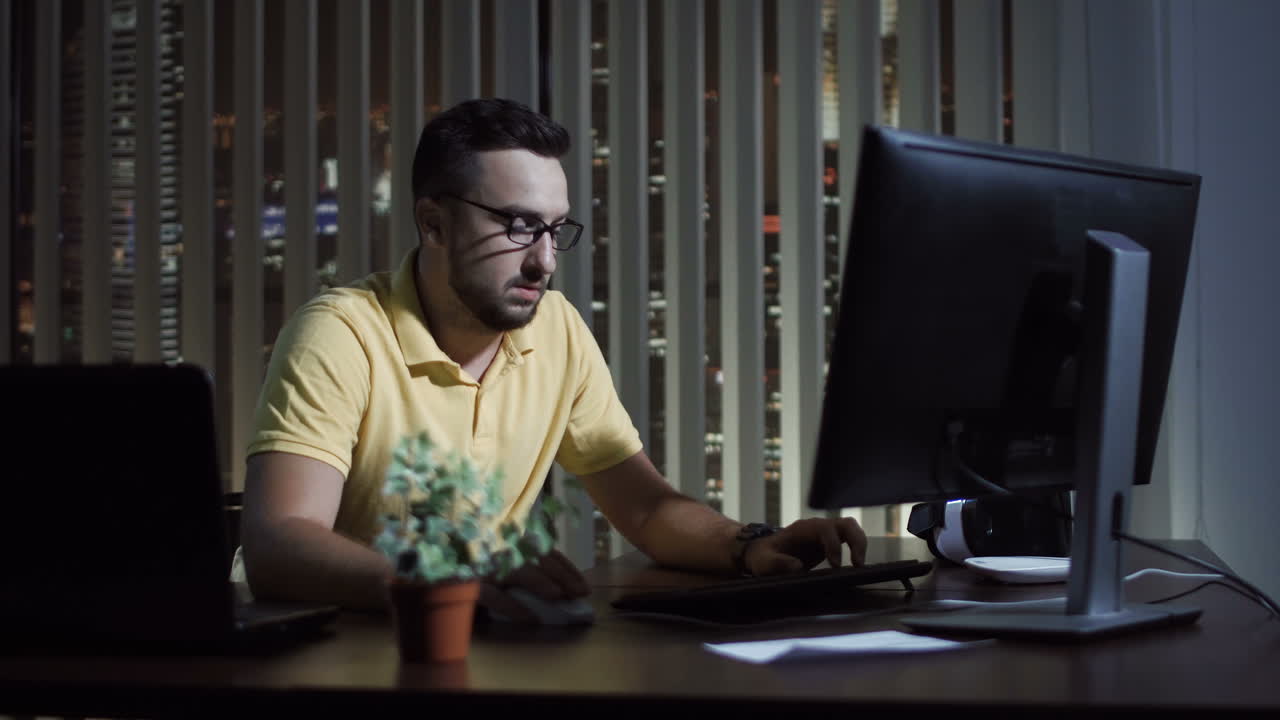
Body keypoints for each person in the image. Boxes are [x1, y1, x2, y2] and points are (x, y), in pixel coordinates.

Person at [238, 97, 866, 622]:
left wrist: (751, 546)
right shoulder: (341, 333)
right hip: (345, 670)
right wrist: (449, 584)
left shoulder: (556, 330)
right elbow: (278, 545)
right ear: (433, 225)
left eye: (553, 229)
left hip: (481, 657)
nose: (543, 260)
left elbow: (644, 508)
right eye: (516, 226)